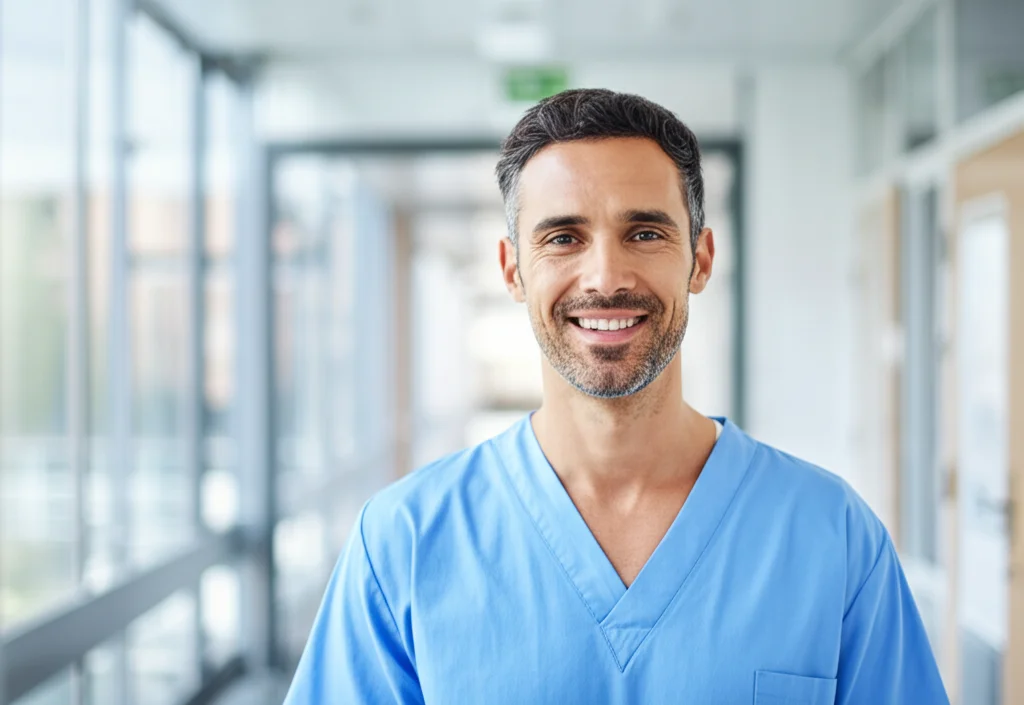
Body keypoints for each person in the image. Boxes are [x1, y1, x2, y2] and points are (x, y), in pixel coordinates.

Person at [283, 89, 949, 704]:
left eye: (646, 232)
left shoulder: (830, 536)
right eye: (563, 238)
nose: (605, 276)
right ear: (513, 268)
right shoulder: (404, 542)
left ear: (702, 258)